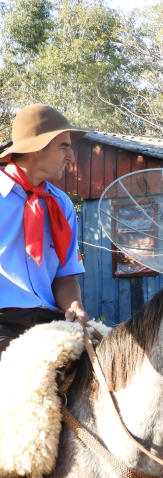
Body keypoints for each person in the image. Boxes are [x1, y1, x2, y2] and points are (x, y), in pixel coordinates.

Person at [0, 104, 91, 355]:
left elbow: (65, 274)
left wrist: (75, 306)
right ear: (36, 148)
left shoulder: (62, 204)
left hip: (49, 325)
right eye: (64, 146)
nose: (71, 156)